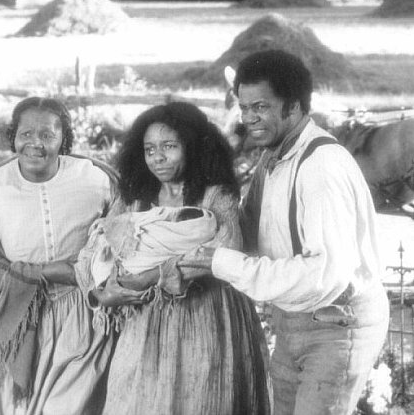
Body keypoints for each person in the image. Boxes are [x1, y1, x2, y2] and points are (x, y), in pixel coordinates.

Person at [184, 50, 389, 415]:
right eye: (244, 108)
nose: (248, 119)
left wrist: (223, 263)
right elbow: (245, 229)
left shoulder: (321, 169)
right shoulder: (274, 157)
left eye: (260, 107)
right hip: (294, 321)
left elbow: (322, 274)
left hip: (335, 324)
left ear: (292, 106)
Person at [76, 101, 270, 415]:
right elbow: (93, 251)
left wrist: (150, 276)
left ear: (192, 147)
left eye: (169, 146)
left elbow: (224, 250)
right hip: (144, 325)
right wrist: (100, 293)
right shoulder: (135, 197)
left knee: (202, 399)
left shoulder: (215, 195)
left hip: (208, 318)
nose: (158, 158)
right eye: (149, 149)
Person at [0, 97, 120, 415]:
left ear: (64, 139)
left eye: (47, 135)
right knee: (17, 407)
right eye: (26, 134)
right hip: (18, 316)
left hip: (83, 314)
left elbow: (121, 239)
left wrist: (94, 275)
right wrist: (48, 271)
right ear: (13, 136)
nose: (35, 144)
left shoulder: (97, 179)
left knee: (71, 405)